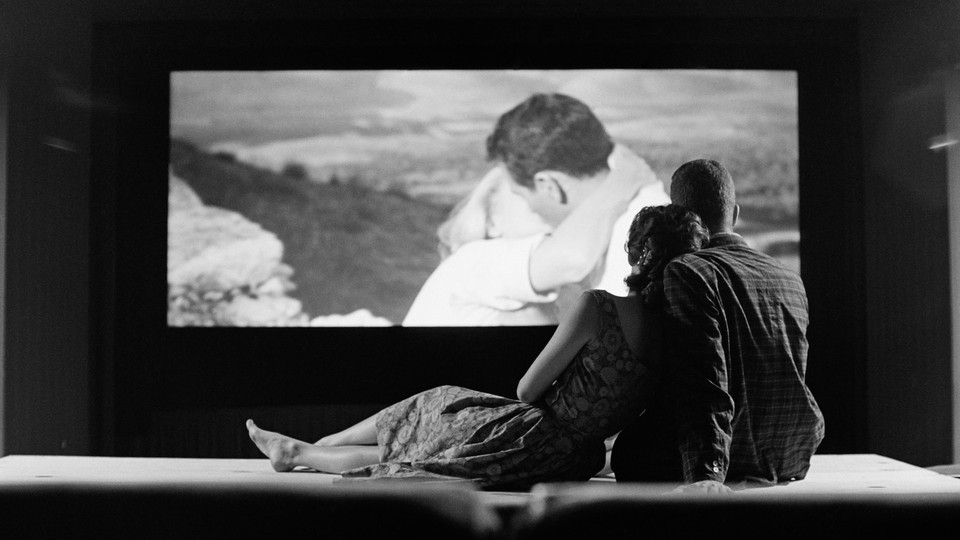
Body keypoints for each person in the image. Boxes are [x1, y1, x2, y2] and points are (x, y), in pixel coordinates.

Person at [246, 204, 709, 490]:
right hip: (577, 458)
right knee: (431, 445)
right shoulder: (680, 334)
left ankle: (311, 450)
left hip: (535, 434)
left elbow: (528, 391)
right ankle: (307, 451)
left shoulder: (599, 308)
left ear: (634, 252)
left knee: (438, 403)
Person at [611, 159, 825, 492]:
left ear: (679, 215)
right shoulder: (790, 279)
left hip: (720, 461)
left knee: (627, 449)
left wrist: (706, 475)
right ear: (735, 214)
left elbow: (703, 383)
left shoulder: (688, 270)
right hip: (789, 457)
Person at [402, 93, 670, 326]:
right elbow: (570, 258)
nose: (530, 208)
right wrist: (624, 175)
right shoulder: (471, 263)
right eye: (517, 196)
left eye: (520, 193)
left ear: (549, 185)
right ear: (491, 219)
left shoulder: (626, 231)